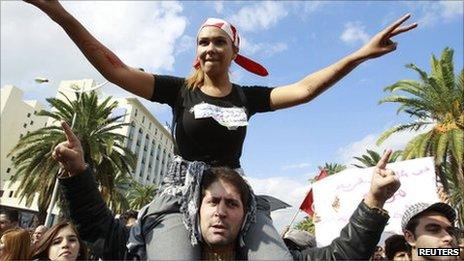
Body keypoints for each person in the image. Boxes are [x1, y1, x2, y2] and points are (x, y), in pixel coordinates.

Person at [25, 0, 417, 259]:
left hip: (230, 192)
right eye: (202, 42)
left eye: (218, 42)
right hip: (180, 196)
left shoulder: (247, 97)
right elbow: (114, 68)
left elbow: (305, 90)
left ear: (233, 52)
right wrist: (61, 15)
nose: (209, 48)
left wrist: (359, 54)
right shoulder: (177, 90)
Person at [52, 121, 400, 260]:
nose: (220, 210)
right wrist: (78, 171)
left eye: (232, 204)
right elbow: (98, 229)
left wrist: (374, 200)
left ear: (247, 216)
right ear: (195, 211)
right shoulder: (148, 253)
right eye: (212, 201)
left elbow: (343, 255)